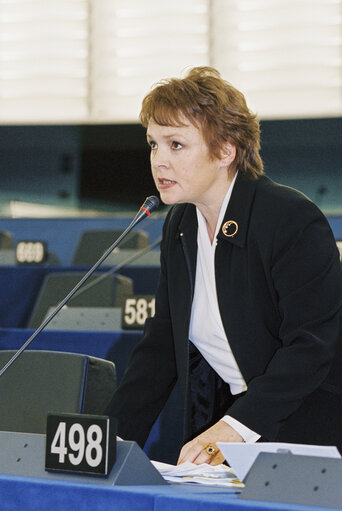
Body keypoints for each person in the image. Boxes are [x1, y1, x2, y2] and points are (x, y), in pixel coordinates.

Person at [106, 66, 342, 465]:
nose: (159, 160)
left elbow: (311, 348)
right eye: (153, 144)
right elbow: (161, 348)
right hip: (236, 428)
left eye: (176, 144)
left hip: (311, 431)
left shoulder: (291, 219)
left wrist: (235, 429)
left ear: (225, 150)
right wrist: (107, 443)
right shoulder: (181, 224)